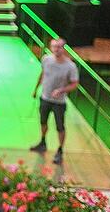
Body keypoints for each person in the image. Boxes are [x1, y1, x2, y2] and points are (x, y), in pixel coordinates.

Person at [30, 37, 79, 165]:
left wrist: (62, 90)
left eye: (59, 47)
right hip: (45, 97)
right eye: (54, 47)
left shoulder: (70, 66)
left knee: (60, 126)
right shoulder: (46, 60)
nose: (57, 49)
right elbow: (42, 74)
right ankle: (42, 142)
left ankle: (60, 150)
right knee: (43, 121)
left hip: (59, 102)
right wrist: (36, 89)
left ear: (64, 48)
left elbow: (74, 84)